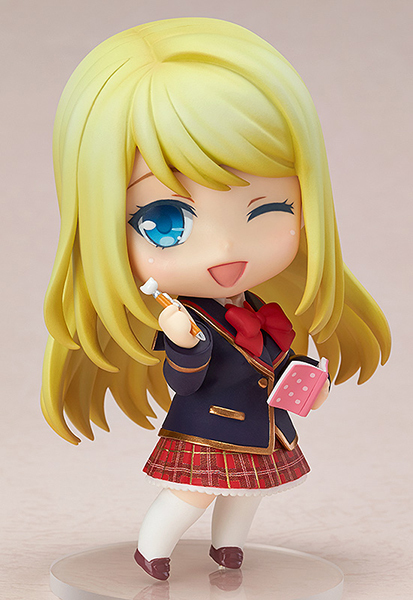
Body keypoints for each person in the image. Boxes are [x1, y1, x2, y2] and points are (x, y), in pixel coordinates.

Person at [41, 18, 391, 581]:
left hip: (263, 423)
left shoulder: (258, 306)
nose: (225, 249)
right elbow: (184, 383)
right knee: (193, 493)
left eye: (269, 208)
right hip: (210, 424)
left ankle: (228, 549)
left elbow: (274, 356)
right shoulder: (185, 317)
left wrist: (306, 381)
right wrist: (184, 346)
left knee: (249, 493)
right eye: (165, 221)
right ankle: (153, 549)